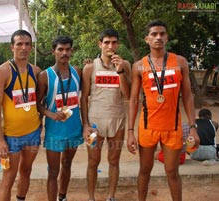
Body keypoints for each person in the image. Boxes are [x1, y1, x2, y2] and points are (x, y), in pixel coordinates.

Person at [127, 19, 200, 201]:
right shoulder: (139, 65)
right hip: (147, 126)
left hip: (172, 127)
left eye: (162, 34)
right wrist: (130, 132)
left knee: (172, 171)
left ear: (167, 37)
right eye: (154, 34)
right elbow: (134, 99)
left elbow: (188, 97)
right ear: (147, 39)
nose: (158, 37)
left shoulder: (180, 62)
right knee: (144, 170)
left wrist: (193, 127)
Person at [81, 28, 131, 201]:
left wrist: (120, 71)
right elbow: (83, 98)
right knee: (93, 161)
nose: (110, 46)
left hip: (117, 119)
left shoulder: (125, 65)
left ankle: (111, 196)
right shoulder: (89, 67)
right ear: (100, 44)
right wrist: (85, 124)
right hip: (95, 121)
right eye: (107, 42)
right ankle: (91, 197)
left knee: (114, 160)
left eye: (114, 42)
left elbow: (128, 95)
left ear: (118, 44)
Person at [0, 30, 42, 201]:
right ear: (12, 47)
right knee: (8, 178)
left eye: (27, 44)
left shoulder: (36, 71)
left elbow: (39, 102)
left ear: (31, 47)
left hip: (33, 132)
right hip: (12, 136)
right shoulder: (2, 71)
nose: (23, 47)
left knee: (26, 171)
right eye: (19, 43)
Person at [36, 36, 83, 201]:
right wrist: (51, 114)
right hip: (54, 131)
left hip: (74, 128)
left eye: (67, 49)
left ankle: (62, 197)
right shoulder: (44, 76)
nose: (64, 53)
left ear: (71, 51)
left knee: (68, 164)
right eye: (60, 49)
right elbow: (37, 104)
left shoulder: (77, 71)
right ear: (53, 51)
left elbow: (83, 99)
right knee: (53, 171)